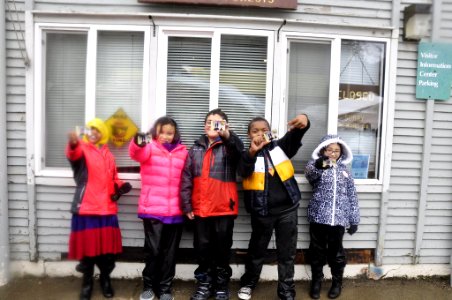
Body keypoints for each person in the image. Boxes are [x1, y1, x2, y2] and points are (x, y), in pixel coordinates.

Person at [237, 114, 310, 300]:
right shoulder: (246, 154)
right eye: (255, 131)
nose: (260, 134)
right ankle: (248, 283)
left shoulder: (281, 147)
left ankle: (286, 290)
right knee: (257, 251)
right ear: (248, 135)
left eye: (264, 130)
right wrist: (252, 153)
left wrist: (304, 122)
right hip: (262, 213)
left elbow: (296, 136)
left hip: (287, 210)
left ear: (270, 132)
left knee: (287, 253)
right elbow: (242, 172)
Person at [181, 108, 244, 300]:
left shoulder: (230, 146)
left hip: (224, 208)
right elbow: (186, 179)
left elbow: (240, 155)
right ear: (204, 126)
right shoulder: (195, 149)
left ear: (226, 126)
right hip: (200, 209)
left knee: (223, 249)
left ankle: (221, 284)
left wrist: (227, 136)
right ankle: (204, 283)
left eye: (217, 122)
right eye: (209, 121)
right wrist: (187, 205)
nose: (212, 125)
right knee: (202, 248)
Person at [66, 118, 132, 300]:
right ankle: (87, 283)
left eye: (98, 130)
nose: (93, 133)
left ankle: (105, 280)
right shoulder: (82, 149)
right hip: (86, 208)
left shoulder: (108, 154)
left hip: (107, 209)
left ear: (103, 133)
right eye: (91, 129)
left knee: (107, 253)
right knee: (87, 252)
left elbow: (113, 178)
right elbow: (73, 155)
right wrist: (73, 144)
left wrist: (121, 185)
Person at [129, 116, 188, 300]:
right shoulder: (150, 148)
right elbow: (136, 152)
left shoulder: (183, 152)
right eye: (162, 132)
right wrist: (138, 139)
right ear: (156, 132)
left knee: (170, 253)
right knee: (153, 251)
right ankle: (148, 286)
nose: (165, 136)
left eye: (169, 133)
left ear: (175, 134)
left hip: (176, 211)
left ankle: (164, 288)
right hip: (153, 209)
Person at [304, 134, 360, 299]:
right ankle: (316, 282)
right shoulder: (317, 166)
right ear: (323, 150)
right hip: (319, 217)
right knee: (317, 251)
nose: (333, 153)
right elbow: (310, 173)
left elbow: (352, 196)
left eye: (337, 150)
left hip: (339, 219)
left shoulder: (345, 171)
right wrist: (322, 163)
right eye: (330, 150)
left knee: (336, 253)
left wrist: (354, 219)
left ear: (341, 152)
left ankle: (337, 282)